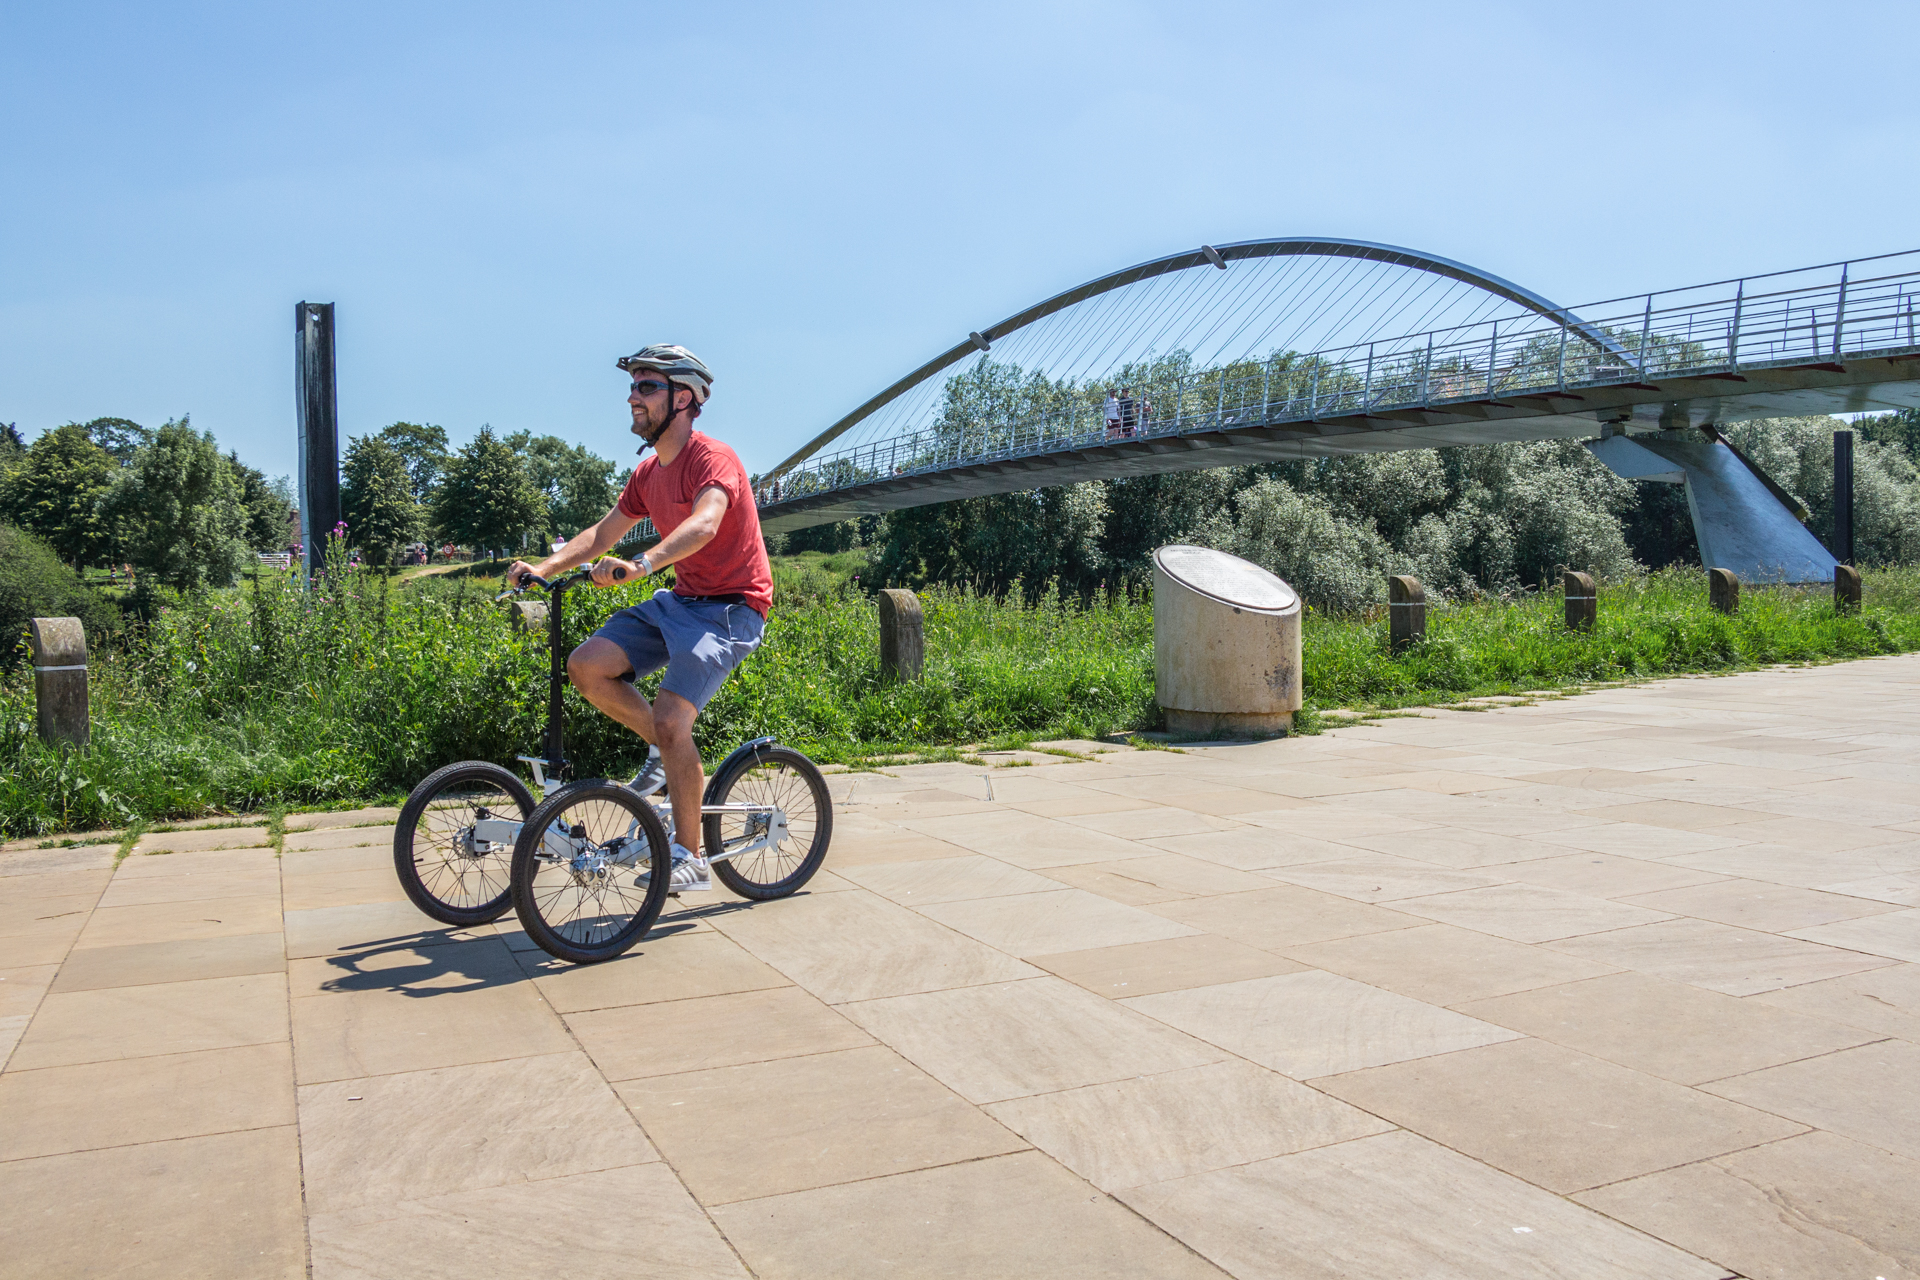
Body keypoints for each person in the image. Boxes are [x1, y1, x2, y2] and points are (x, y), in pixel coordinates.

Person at [508, 344, 771, 892]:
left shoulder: (713, 459)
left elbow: (704, 523)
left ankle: (691, 857)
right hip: (681, 600)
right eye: (632, 387)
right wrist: (545, 567)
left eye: (647, 387)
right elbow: (601, 536)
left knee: (677, 722)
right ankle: (664, 750)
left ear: (684, 398)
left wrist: (643, 564)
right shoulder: (649, 474)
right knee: (586, 666)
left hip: (731, 607)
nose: (633, 396)